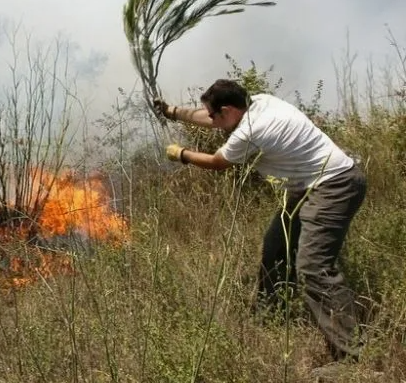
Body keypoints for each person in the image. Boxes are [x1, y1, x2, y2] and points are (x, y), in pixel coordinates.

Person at [155, 79, 368, 362]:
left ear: (228, 110)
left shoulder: (252, 131)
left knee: (314, 267)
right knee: (276, 249)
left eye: (214, 114)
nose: (210, 120)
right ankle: (272, 314)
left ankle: (349, 355)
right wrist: (172, 111)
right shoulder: (260, 101)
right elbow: (207, 118)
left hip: (333, 186)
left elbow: (218, 162)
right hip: (308, 185)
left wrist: (181, 154)